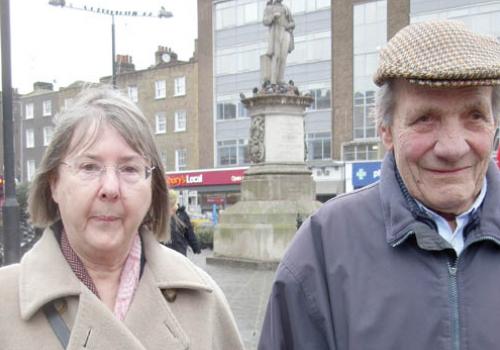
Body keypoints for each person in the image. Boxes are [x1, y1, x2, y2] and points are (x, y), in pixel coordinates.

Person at [259, 20, 500, 349]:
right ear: (385, 130)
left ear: (494, 124)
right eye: (425, 118)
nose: (453, 147)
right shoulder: (323, 249)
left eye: (474, 115)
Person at [0, 87, 244, 349]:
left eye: (129, 168)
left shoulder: (204, 301)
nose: (110, 188)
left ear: (153, 188)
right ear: (54, 184)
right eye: (89, 167)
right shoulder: (5, 302)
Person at [263, 0, 295, 85]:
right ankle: (273, 80)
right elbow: (265, 21)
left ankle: (281, 79)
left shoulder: (286, 8)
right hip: (276, 32)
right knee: (276, 56)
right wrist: (273, 17)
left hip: (285, 32)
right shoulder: (269, 8)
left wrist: (289, 25)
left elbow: (293, 22)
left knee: (283, 57)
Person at [164, 189, 201, 256]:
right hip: (165, 251)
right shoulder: (161, 214)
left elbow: (189, 232)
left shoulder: (182, 214)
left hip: (180, 251)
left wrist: (196, 247)